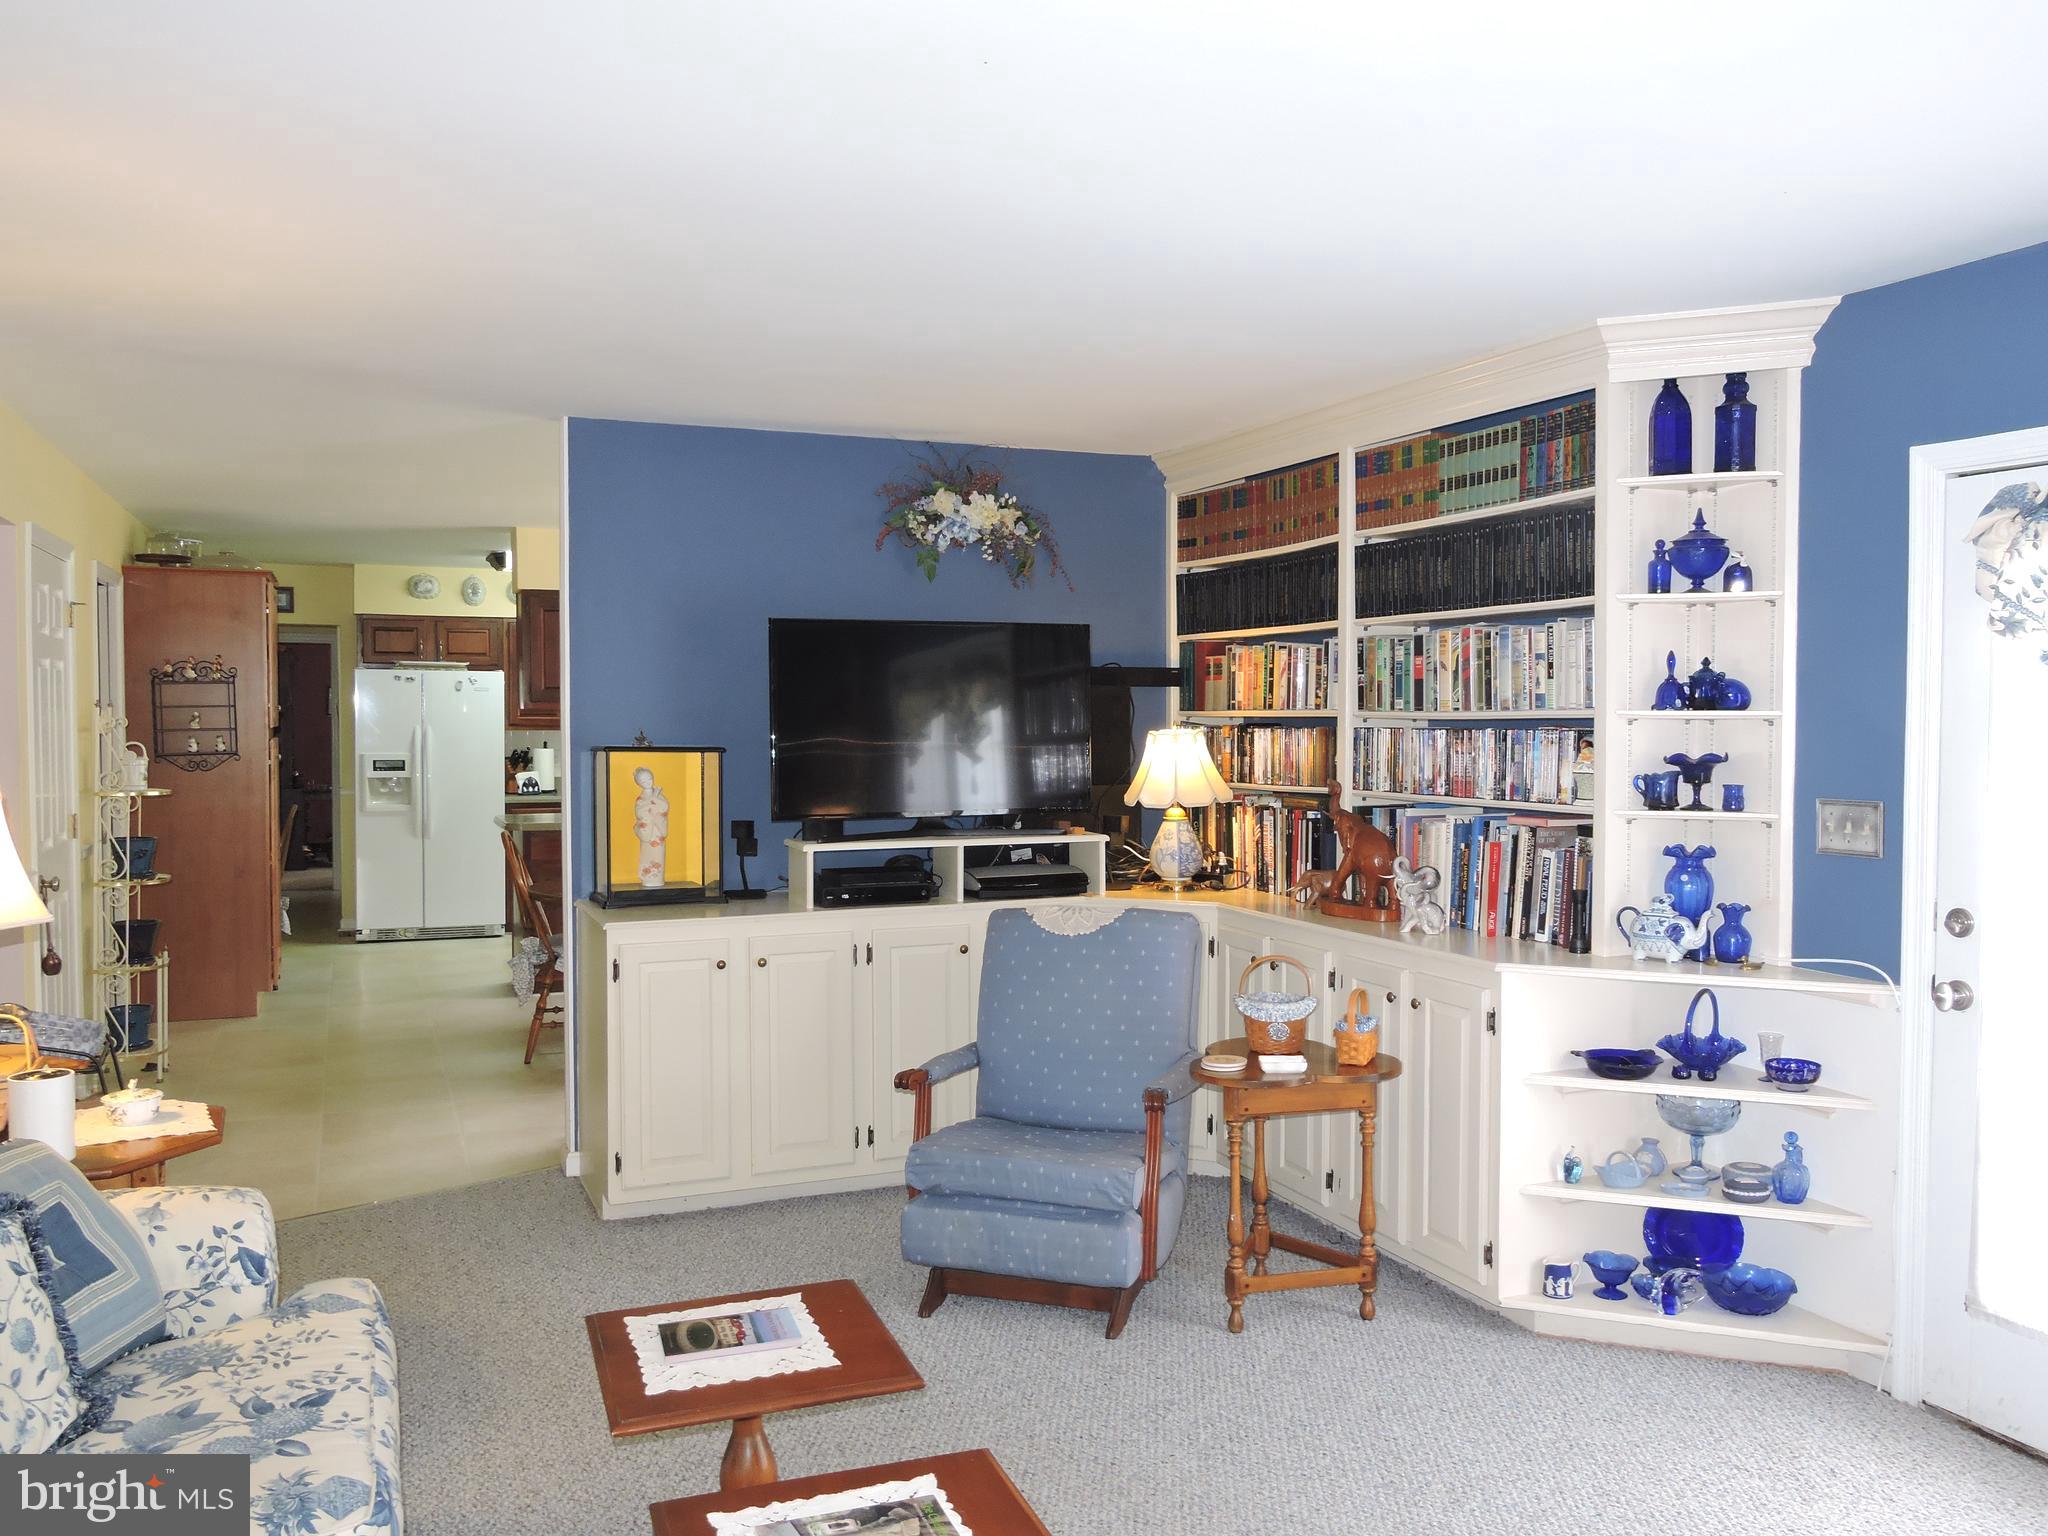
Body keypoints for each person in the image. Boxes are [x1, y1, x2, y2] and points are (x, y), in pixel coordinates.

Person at [633, 765, 669, 888]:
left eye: (649, 779)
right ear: (638, 783)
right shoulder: (641, 798)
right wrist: (652, 802)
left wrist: (655, 800)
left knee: (658, 854)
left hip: (657, 831)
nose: (647, 782)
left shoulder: (659, 794)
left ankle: (657, 878)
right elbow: (640, 813)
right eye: (643, 781)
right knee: (647, 854)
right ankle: (647, 877)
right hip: (648, 831)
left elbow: (664, 807)